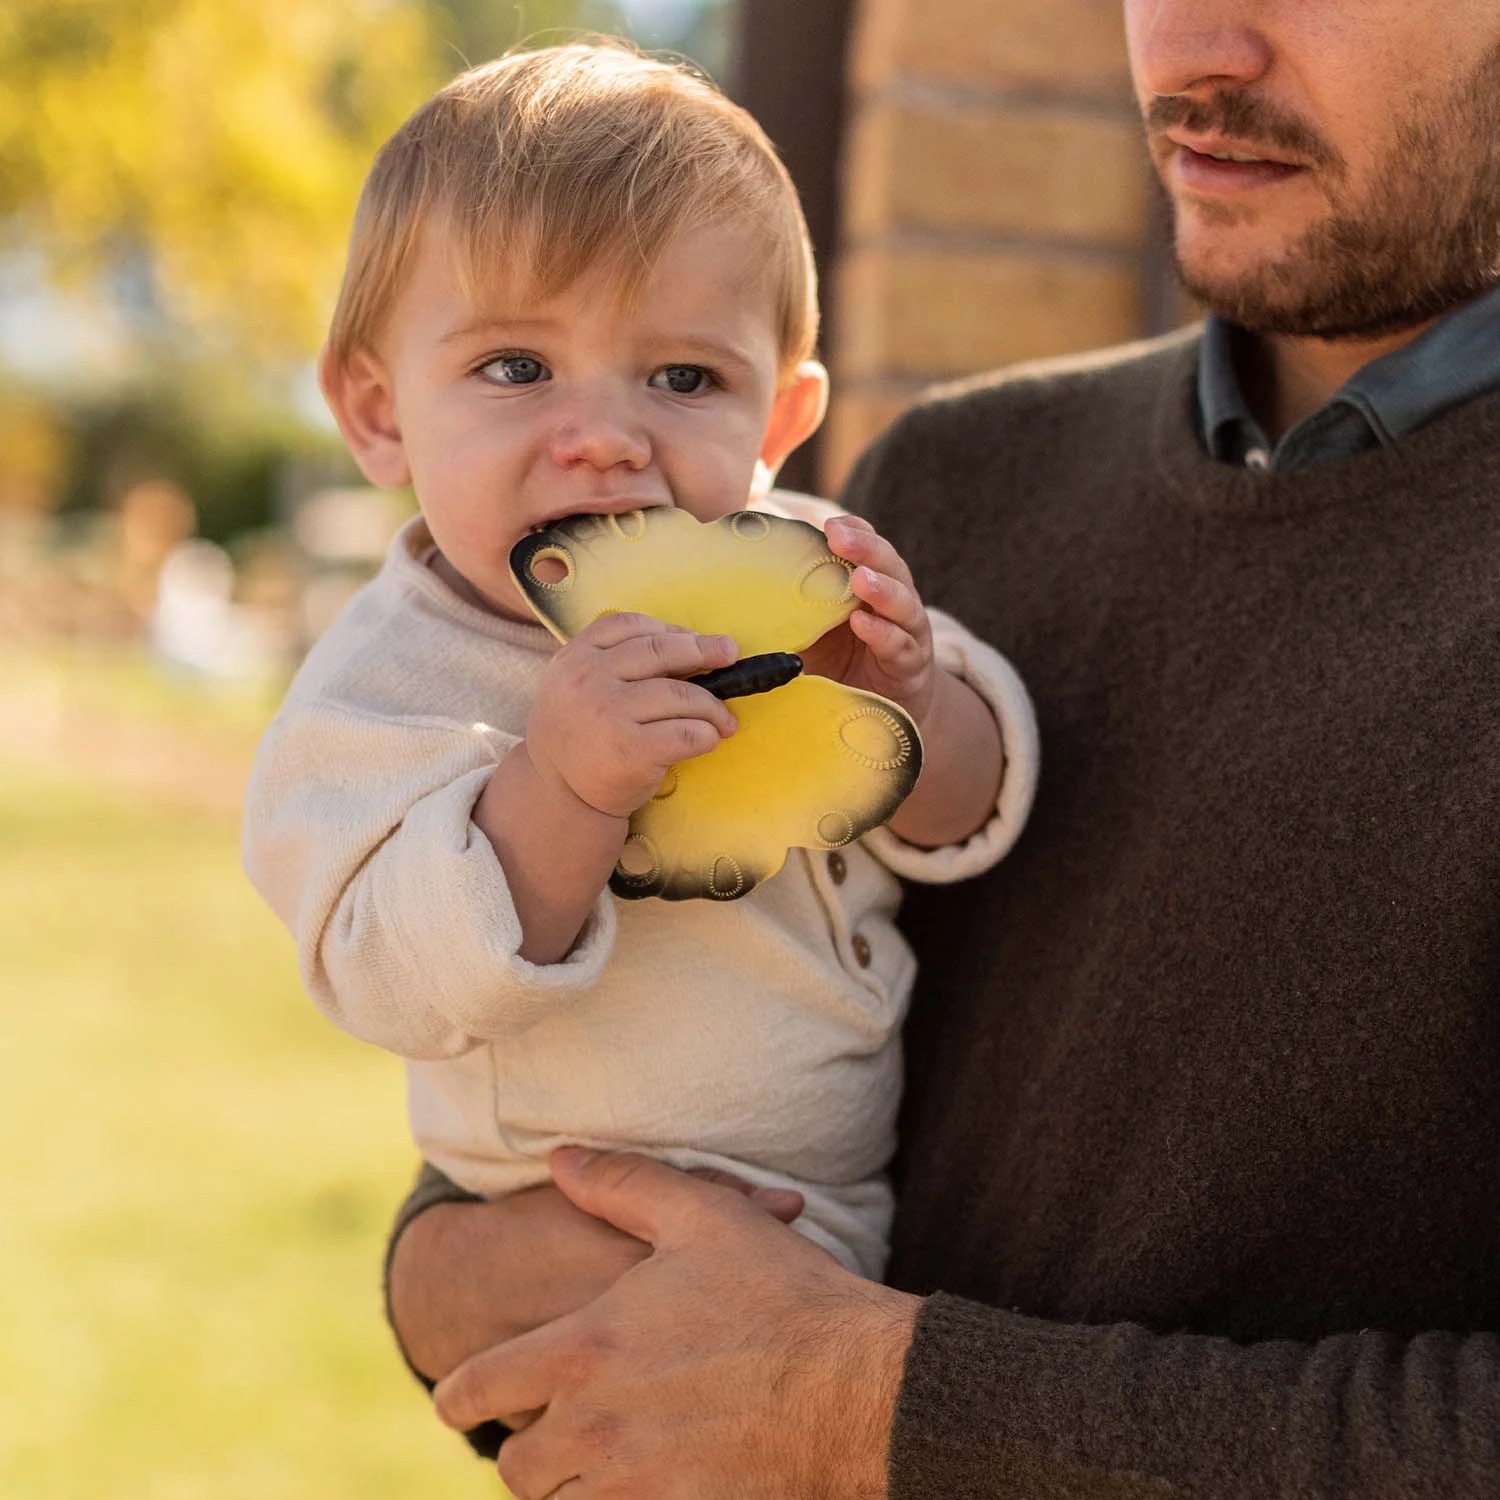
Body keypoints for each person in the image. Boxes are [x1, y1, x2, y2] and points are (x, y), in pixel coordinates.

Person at [385, 3, 1500, 1497]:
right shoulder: (946, 488)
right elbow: (639, 1029)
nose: (1194, 52)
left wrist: (864, 1407)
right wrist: (442, 1266)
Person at [242, 40, 1039, 1318]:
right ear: (382, 412)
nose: (608, 437)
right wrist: (558, 787)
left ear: (779, 424)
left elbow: (971, 813)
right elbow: (384, 969)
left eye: (684, 378)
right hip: (567, 1229)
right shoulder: (387, 681)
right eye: (516, 367)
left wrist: (915, 698)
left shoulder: (805, 572)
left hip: (848, 1220)